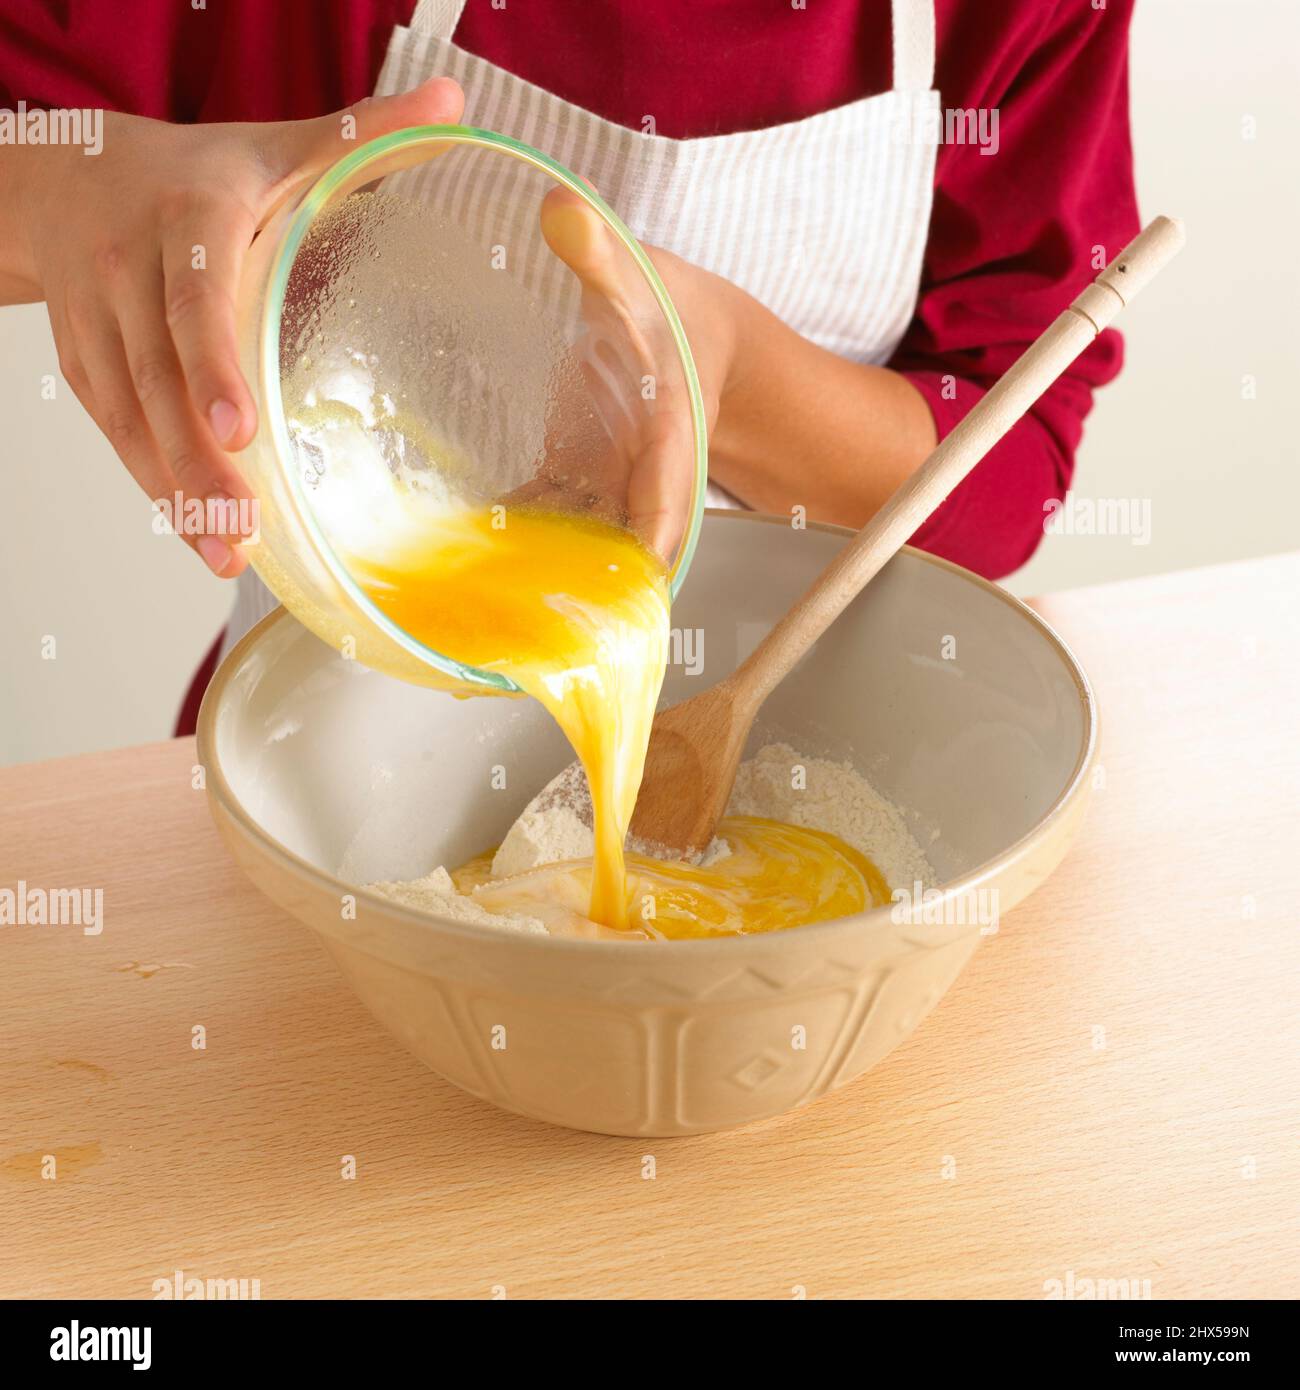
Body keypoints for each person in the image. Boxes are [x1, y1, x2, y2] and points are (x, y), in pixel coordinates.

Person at [0, 0, 1139, 732]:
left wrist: (732, 384)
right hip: (309, 751)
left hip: (820, 747)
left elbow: (1012, 452)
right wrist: (55, 188)